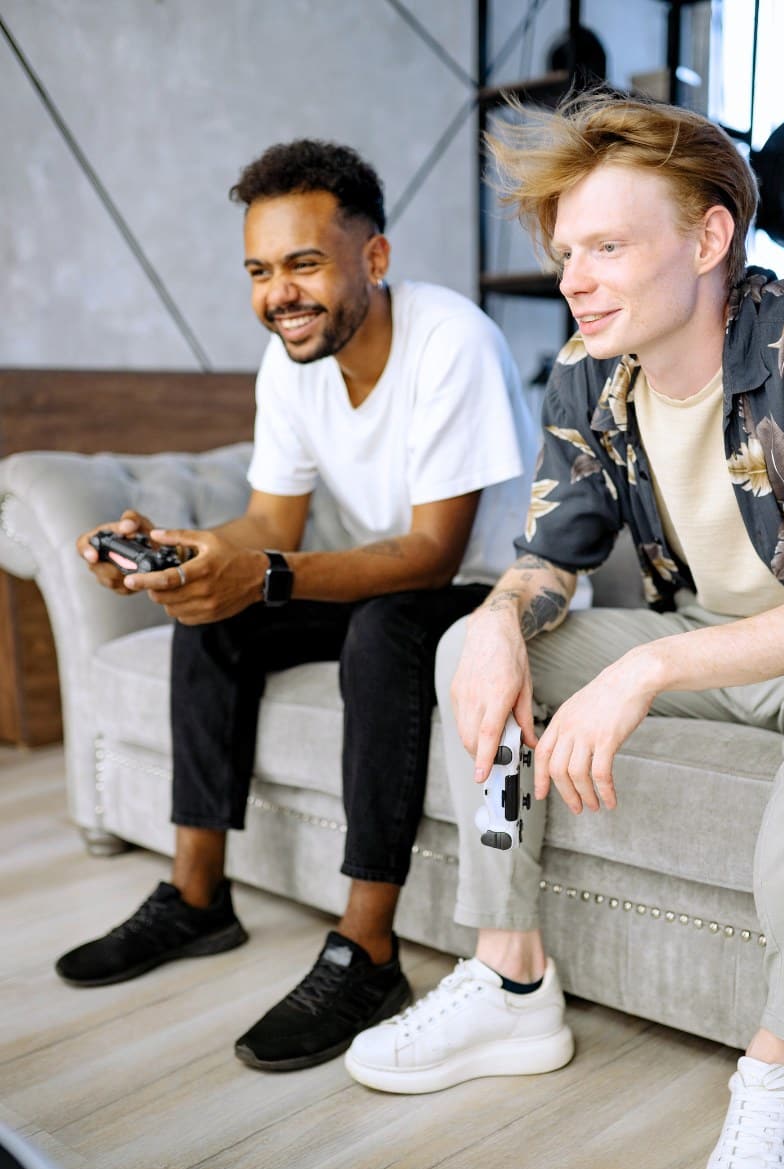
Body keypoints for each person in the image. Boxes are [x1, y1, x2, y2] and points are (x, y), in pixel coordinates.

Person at [344, 93, 784, 1169]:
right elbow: (551, 560)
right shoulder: (585, 378)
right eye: (565, 256)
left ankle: (777, 1080)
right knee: (466, 645)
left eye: (606, 246)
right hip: (707, 638)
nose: (577, 281)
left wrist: (649, 663)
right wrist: (498, 614)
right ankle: (509, 978)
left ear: (707, 241)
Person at [55, 139, 538, 1075]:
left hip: (497, 593)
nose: (281, 293)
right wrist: (181, 555)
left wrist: (268, 571)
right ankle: (197, 898)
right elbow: (269, 520)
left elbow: (433, 556)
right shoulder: (290, 363)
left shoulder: (453, 341)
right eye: (261, 270)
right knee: (212, 609)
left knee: (385, 629)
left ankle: (368, 950)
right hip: (383, 574)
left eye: (305, 264)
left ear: (376, 258)